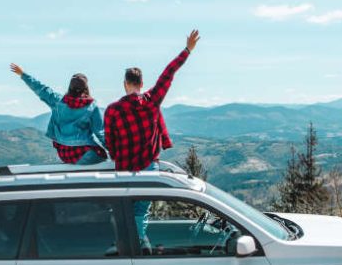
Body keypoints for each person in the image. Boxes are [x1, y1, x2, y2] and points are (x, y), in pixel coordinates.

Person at [104, 29, 200, 251]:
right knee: (141, 209)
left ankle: (128, 243)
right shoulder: (152, 101)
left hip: (124, 167)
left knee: (125, 207)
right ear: (141, 82)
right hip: (148, 165)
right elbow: (169, 72)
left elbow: (110, 141)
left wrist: (115, 157)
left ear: (125, 83)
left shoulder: (113, 110)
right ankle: (135, 243)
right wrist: (187, 50)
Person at [10, 64, 107, 165]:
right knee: (103, 156)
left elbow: (41, 89)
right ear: (86, 88)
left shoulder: (57, 101)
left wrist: (23, 74)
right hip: (83, 152)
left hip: (64, 153)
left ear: (70, 87)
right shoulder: (91, 107)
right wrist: (114, 153)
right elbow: (100, 133)